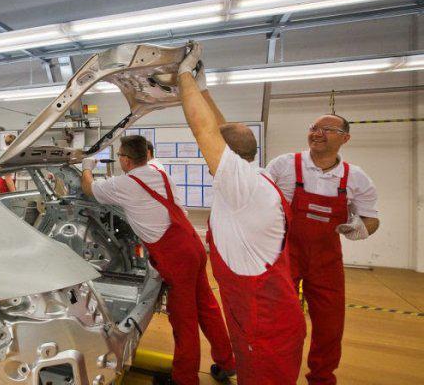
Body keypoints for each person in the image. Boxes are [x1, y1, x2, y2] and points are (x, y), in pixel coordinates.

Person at [177, 42, 306, 384]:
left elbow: (204, 130)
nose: (207, 159)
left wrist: (183, 76)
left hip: (265, 327)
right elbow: (221, 129)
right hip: (255, 315)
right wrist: (203, 88)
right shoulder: (253, 174)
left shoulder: (242, 188)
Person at [81, 135, 235, 385]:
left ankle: (185, 379)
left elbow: (89, 188)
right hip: (193, 245)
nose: (120, 159)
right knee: (207, 305)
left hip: (175, 257)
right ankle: (227, 362)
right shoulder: (158, 170)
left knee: (183, 320)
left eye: (120, 155)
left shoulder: (125, 184)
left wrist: (87, 167)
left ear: (126, 160)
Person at [266, 114, 379, 385]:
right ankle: (279, 376)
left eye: (327, 129)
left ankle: (322, 378)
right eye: (314, 128)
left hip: (327, 261)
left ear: (345, 138)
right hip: (285, 255)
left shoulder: (356, 177)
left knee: (330, 325)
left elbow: (371, 217)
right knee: (282, 321)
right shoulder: (284, 165)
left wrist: (360, 229)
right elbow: (260, 200)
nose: (317, 133)